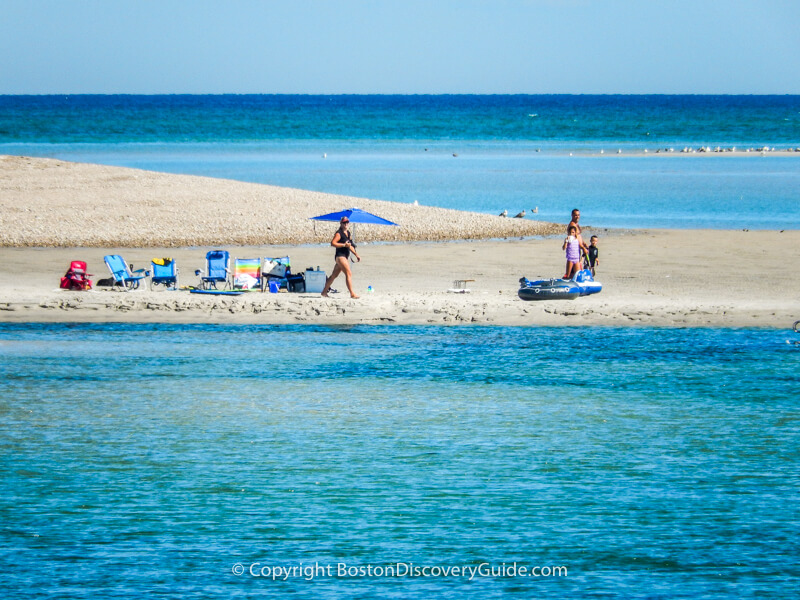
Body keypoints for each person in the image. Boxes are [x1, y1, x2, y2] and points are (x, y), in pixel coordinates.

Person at [321, 217, 361, 298]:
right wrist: (343, 245)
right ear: (341, 223)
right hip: (340, 256)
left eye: (347, 222)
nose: (346, 224)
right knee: (348, 273)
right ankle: (352, 294)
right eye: (344, 222)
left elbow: (349, 246)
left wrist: (356, 254)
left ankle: (324, 292)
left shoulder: (348, 233)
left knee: (333, 275)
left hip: (344, 257)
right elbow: (333, 243)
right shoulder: (339, 233)